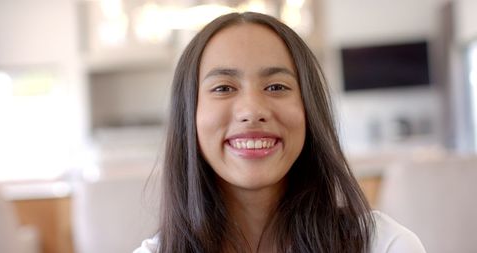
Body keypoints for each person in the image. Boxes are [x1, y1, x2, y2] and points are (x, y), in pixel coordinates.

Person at [134, 12, 426, 253]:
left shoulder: (384, 246)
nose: (252, 110)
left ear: (309, 110)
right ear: (189, 116)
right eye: (223, 88)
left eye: (276, 87)